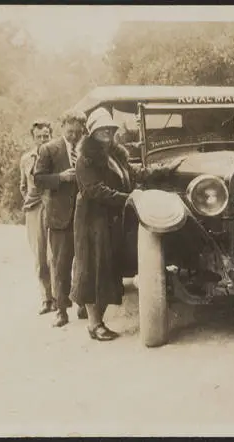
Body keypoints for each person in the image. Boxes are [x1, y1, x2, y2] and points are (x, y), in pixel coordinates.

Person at [71, 108, 183, 341]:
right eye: (101, 130)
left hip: (111, 220)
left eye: (109, 130)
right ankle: (94, 324)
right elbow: (92, 190)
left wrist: (164, 170)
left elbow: (135, 174)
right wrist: (128, 198)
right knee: (93, 269)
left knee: (109, 269)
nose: (106, 133)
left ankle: (97, 322)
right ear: (91, 132)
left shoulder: (115, 155)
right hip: (92, 222)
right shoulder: (86, 159)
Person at [33, 111, 88, 327]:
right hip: (59, 217)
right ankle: (61, 310)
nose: (74, 136)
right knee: (60, 264)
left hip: (84, 216)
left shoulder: (87, 148)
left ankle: (83, 303)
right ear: (63, 126)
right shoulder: (49, 149)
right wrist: (60, 178)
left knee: (83, 262)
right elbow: (38, 179)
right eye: (70, 131)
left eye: (78, 132)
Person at [20, 118, 55, 315]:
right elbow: (23, 185)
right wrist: (31, 202)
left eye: (46, 136)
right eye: (39, 137)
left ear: (51, 136)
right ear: (33, 138)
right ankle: (46, 298)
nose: (42, 139)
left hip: (53, 208)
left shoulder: (57, 156)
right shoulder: (26, 159)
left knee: (54, 256)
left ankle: (59, 298)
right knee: (39, 257)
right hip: (34, 210)